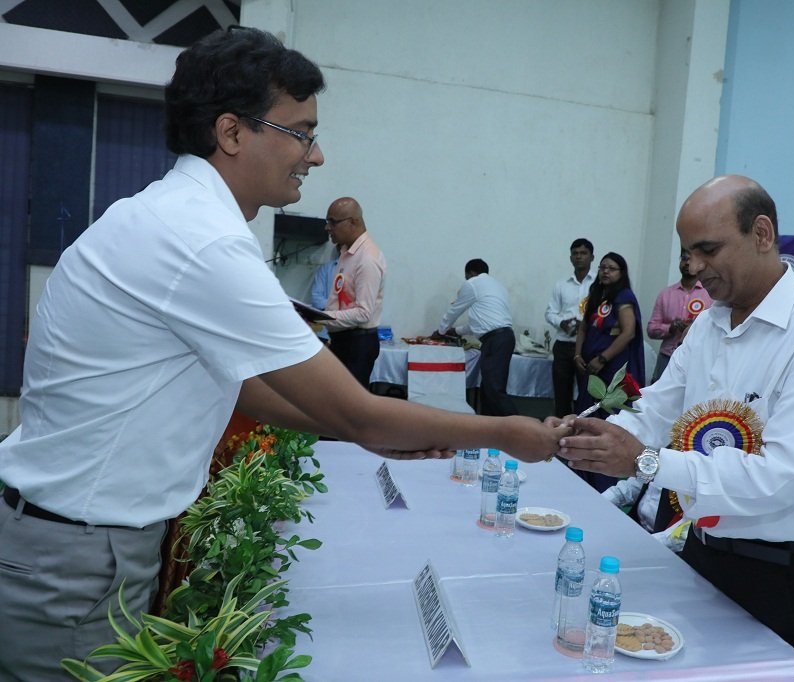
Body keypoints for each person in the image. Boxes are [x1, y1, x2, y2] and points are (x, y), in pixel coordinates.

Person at [0, 28, 568, 679]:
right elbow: (360, 413)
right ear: (233, 132)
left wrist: (359, 428)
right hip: (73, 559)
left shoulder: (171, 216)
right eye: (302, 132)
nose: (317, 155)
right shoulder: (200, 239)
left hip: (77, 544)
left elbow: (243, 388)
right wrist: (505, 433)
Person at [554, 175, 794, 674]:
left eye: (707, 249)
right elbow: (658, 406)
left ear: (761, 234)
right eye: (687, 251)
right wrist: (591, 436)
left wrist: (646, 461)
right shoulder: (709, 325)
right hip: (705, 554)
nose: (694, 268)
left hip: (786, 576)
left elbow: (780, 478)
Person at [572, 251, 646, 492]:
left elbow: (628, 333)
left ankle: (604, 483)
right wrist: (577, 354)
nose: (605, 271)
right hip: (589, 368)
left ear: (621, 273)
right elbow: (583, 328)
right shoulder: (596, 295)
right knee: (585, 416)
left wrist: (603, 359)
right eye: (603, 267)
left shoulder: (624, 296)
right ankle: (580, 473)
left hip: (611, 369)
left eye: (611, 268)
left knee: (607, 420)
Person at [436, 259, 518, 416]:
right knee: (487, 390)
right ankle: (490, 431)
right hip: (503, 337)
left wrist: (441, 331)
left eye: (466, 277)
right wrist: (456, 331)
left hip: (496, 340)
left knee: (494, 390)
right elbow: (481, 323)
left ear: (469, 273)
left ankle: (524, 430)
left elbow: (455, 310)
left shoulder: (472, 284)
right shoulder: (497, 287)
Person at [320, 197, 385, 387]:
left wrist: (321, 317)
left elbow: (364, 313)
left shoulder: (367, 258)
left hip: (357, 343)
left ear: (353, 222)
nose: (327, 227)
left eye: (333, 222)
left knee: (349, 410)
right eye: (327, 222)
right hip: (343, 339)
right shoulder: (347, 253)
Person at [544, 238, 595, 417]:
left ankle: (583, 431)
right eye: (575, 253)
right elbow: (550, 313)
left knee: (587, 393)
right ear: (570, 258)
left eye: (583, 253)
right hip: (564, 345)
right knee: (561, 394)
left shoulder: (599, 284)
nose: (579, 257)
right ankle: (560, 433)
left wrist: (586, 326)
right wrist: (561, 323)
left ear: (592, 257)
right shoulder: (561, 284)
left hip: (589, 346)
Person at [646, 251, 712, 382]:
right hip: (667, 357)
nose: (687, 262)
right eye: (684, 259)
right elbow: (651, 329)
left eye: (691, 259)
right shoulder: (665, 294)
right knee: (659, 400)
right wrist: (670, 328)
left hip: (697, 359)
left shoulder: (710, 294)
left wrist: (696, 327)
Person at [601, 476, 690, 552]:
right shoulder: (663, 457)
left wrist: (641, 545)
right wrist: (598, 502)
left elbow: (686, 531)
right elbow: (633, 486)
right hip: (634, 527)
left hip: (667, 548)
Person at [308, 241, 340, 343]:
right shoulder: (326, 268)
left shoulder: (359, 270)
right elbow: (316, 299)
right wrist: (340, 307)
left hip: (349, 332)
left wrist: (330, 306)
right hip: (325, 333)